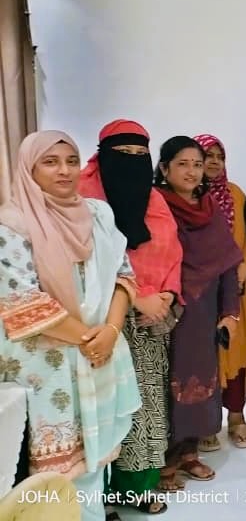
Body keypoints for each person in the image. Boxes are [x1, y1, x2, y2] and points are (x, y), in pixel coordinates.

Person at [0, 131, 141, 521]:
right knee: (54, 474)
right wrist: (89, 339)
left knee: (95, 456)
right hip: (45, 363)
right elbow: (23, 302)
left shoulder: (98, 215)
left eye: (71, 161)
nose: (64, 171)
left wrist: (110, 332)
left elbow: (124, 276)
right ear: (29, 169)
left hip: (99, 352)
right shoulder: (11, 225)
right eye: (50, 162)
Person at [80, 119, 181, 504]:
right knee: (107, 409)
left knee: (147, 406)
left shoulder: (154, 200)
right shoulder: (83, 199)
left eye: (141, 155)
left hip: (150, 321)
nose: (132, 161)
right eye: (123, 154)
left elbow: (173, 251)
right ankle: (102, 496)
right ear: (103, 156)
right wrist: (136, 298)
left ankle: (137, 488)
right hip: (102, 321)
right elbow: (86, 262)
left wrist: (167, 295)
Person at [153, 136, 242, 487]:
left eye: (197, 164)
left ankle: (188, 454)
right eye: (182, 164)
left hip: (204, 310)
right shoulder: (155, 205)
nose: (191, 171)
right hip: (167, 309)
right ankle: (162, 461)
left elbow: (226, 262)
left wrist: (230, 312)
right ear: (164, 169)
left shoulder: (209, 207)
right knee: (166, 385)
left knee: (198, 382)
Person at [193, 134, 246, 448]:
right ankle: (206, 423)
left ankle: (236, 417)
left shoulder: (235, 195)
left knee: (236, 350)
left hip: (237, 289)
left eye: (219, 156)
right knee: (203, 356)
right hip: (201, 292)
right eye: (207, 156)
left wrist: (244, 267)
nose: (214, 162)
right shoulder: (187, 198)